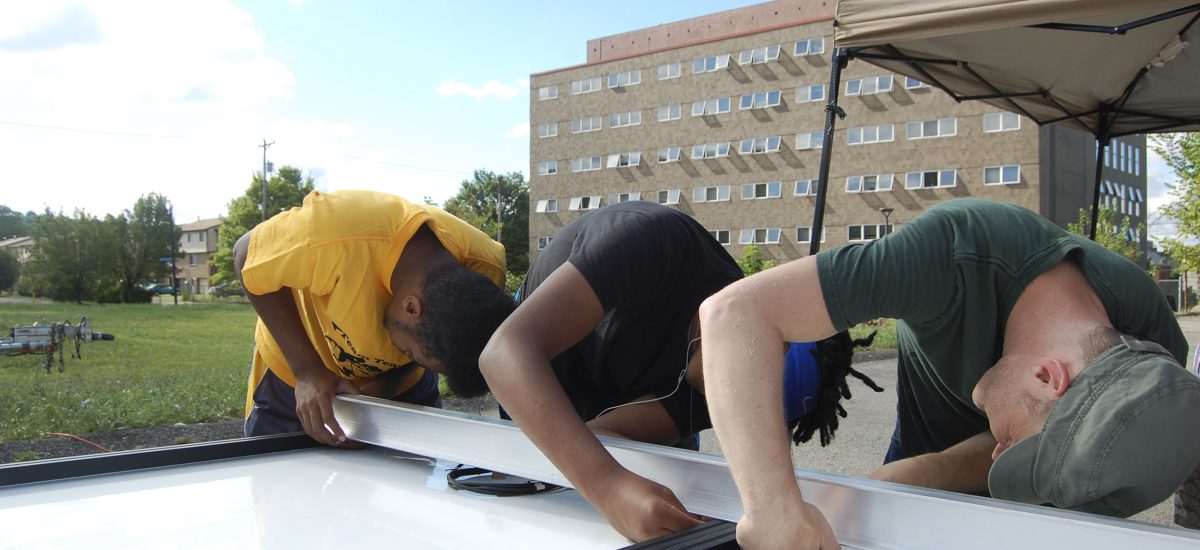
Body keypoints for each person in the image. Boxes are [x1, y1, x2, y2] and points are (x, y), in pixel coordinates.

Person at [699, 198, 1200, 549]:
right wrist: (773, 509)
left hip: (1033, 505)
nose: (997, 452)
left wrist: (941, 471)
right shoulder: (955, 251)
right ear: (1048, 377)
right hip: (919, 448)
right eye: (1014, 443)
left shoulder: (1156, 373)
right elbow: (735, 314)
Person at [477, 201, 880, 542]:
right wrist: (608, 485)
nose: (729, 407)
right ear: (761, 329)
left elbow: (604, 436)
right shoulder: (653, 241)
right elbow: (503, 353)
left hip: (598, 391)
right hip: (529, 379)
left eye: (755, 418)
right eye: (751, 387)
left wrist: (645, 495)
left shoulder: (724, 402)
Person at [235, 189, 515, 446]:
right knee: (281, 486)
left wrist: (388, 384)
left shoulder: (485, 269)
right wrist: (308, 371)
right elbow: (246, 253)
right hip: (296, 376)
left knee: (412, 491)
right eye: (408, 352)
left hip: (401, 391)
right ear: (412, 308)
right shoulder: (339, 233)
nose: (404, 356)